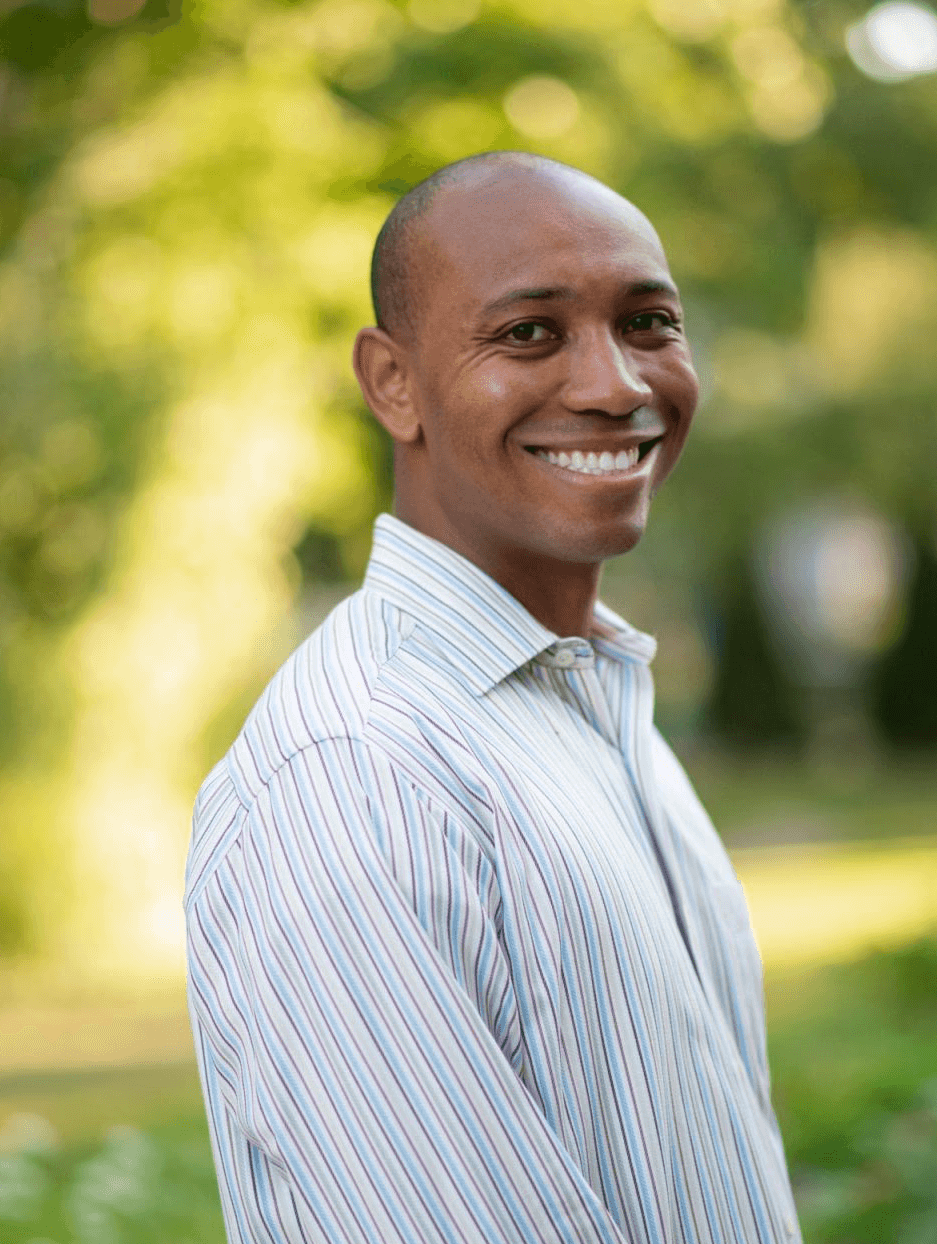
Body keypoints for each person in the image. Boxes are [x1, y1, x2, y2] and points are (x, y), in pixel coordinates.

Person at [185, 150, 801, 1244]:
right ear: (394, 383)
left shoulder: (591, 702)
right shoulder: (359, 774)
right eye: (529, 333)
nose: (615, 384)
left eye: (648, 321)